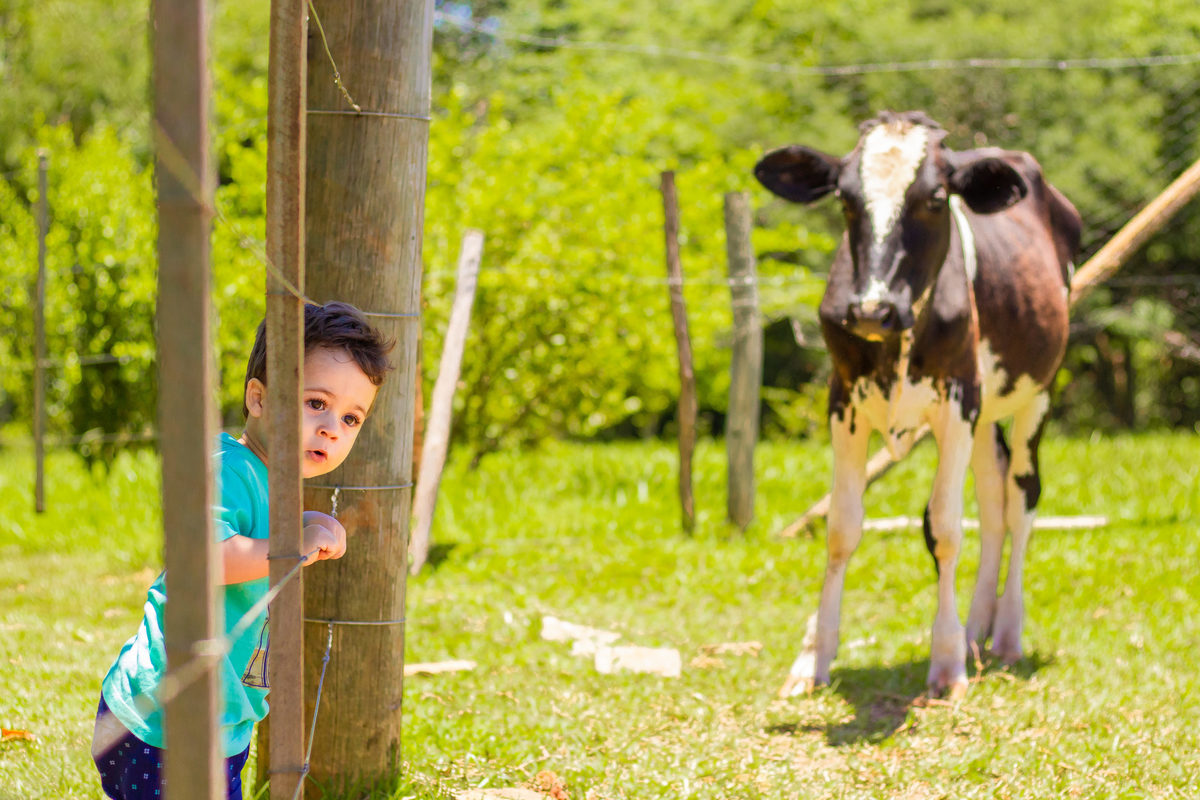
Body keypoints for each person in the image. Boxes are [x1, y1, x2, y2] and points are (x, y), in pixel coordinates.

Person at [92, 301, 393, 800]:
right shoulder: (223, 467)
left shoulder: (273, 481)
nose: (332, 427)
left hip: (222, 716)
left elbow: (255, 537)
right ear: (257, 397)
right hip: (165, 720)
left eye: (351, 417)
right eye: (316, 403)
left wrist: (305, 522)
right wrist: (295, 539)